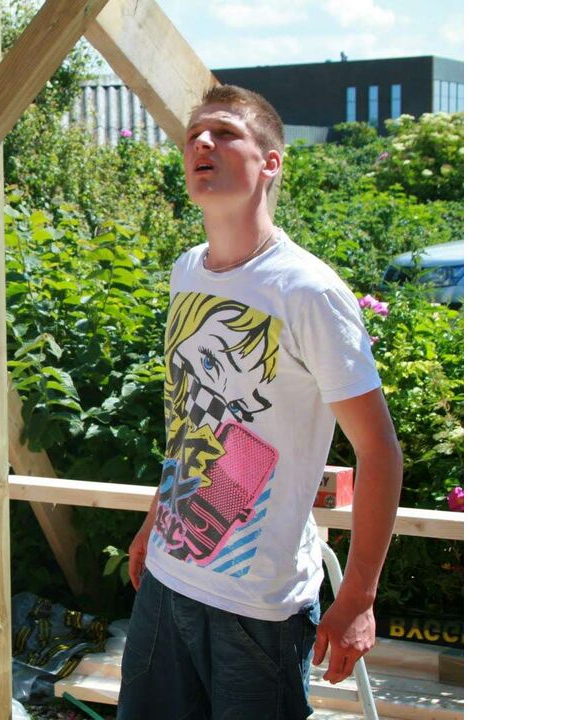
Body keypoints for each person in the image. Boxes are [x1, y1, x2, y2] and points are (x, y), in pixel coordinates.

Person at [116, 85, 403, 719]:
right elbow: (190, 418)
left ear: (271, 162)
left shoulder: (308, 291)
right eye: (194, 134)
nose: (202, 142)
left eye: (224, 132)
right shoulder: (187, 271)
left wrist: (358, 596)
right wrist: (153, 522)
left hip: (258, 610)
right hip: (167, 581)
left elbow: (379, 451)